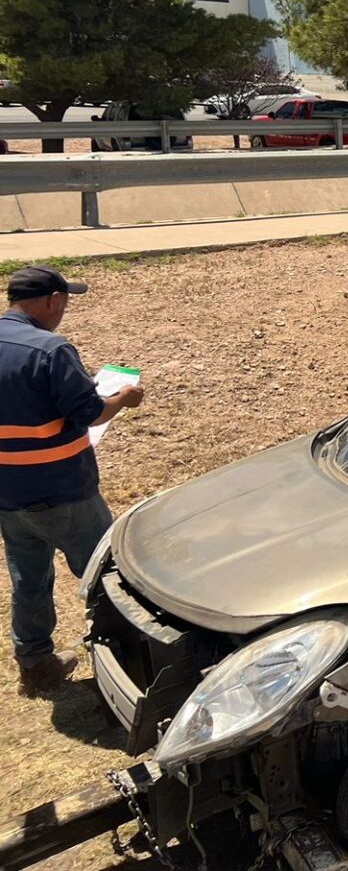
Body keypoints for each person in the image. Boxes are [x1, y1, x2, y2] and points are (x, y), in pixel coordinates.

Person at [0, 265, 144, 693]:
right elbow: (89, 413)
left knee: (29, 578)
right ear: (52, 300)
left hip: (8, 494)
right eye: (63, 301)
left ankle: (35, 663)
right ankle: (127, 663)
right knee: (107, 575)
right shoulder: (51, 349)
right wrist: (122, 398)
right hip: (62, 490)